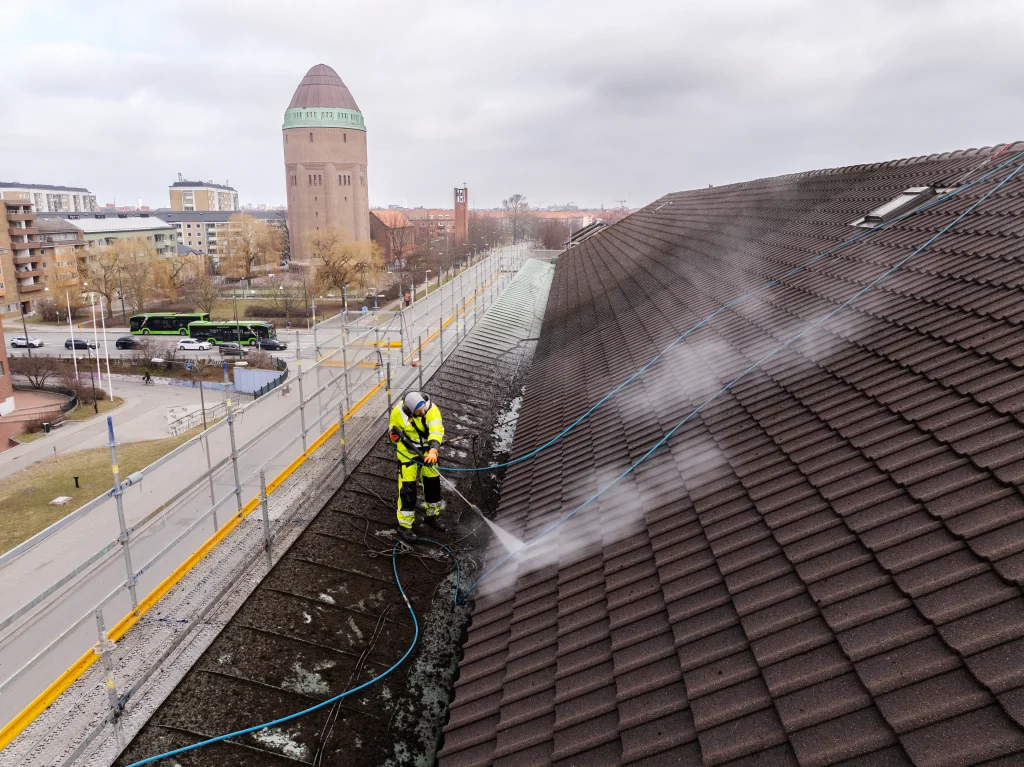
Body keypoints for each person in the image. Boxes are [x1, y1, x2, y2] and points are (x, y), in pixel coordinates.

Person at [388, 391, 445, 542]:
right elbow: (393, 431)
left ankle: (432, 516)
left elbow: (436, 430)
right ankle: (405, 526)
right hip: (408, 451)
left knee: (432, 482)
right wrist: (393, 437)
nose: (423, 412)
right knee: (408, 487)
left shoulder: (432, 409)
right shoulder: (398, 412)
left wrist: (433, 450)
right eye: (419, 412)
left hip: (428, 450)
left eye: (423, 409)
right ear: (410, 411)